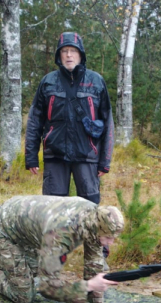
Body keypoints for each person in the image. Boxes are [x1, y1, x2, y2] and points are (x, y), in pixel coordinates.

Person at [0, 195, 126, 303]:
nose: (110, 243)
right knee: (23, 294)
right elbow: (48, 287)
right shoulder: (62, 233)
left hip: (28, 231)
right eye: (108, 238)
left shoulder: (94, 219)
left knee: (30, 269)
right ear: (98, 228)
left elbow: (94, 262)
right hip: (2, 228)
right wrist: (88, 285)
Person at [25, 32, 114, 205]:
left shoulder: (96, 82)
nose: (68, 55)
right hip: (55, 155)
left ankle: (85, 234)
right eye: (64, 51)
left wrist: (105, 161)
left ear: (80, 54)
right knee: (53, 208)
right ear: (59, 56)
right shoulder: (48, 82)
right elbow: (35, 121)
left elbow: (108, 122)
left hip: (87, 155)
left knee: (89, 208)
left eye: (73, 51)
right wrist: (31, 157)